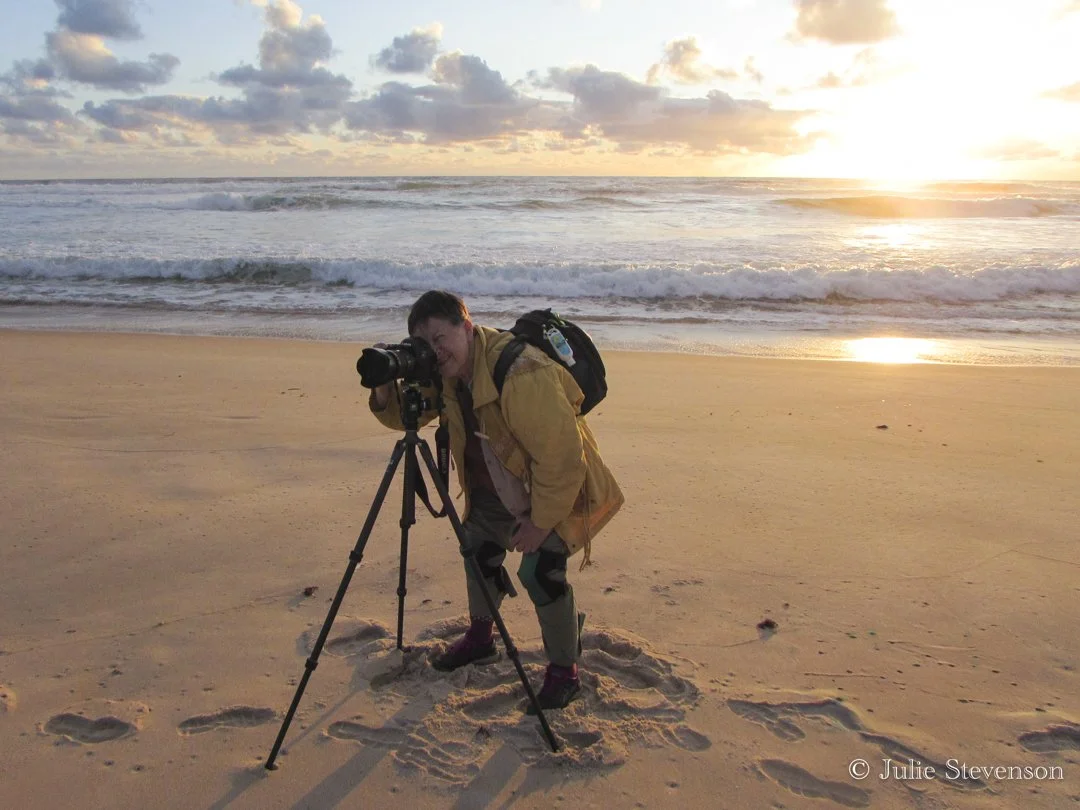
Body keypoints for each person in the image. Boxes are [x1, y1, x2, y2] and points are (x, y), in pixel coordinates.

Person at [368, 290, 624, 710]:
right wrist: (383, 381)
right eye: (423, 343)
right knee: (477, 546)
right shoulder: (448, 372)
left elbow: (563, 461)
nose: (434, 351)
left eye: (440, 338)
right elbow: (405, 416)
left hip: (556, 488)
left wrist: (540, 522)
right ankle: (481, 637)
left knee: (541, 572)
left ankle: (565, 672)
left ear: (467, 327)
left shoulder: (522, 373)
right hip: (500, 484)